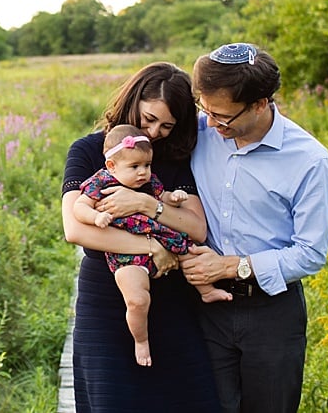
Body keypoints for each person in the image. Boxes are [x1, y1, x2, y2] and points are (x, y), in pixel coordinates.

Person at [179, 43, 328, 413]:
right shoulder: (201, 131)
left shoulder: (309, 159)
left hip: (272, 314)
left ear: (260, 104)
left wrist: (232, 266)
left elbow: (311, 252)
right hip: (205, 306)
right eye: (206, 110)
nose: (212, 124)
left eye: (224, 117)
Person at [62, 62, 221, 413]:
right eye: (148, 119)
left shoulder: (174, 158)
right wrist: (153, 247)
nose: (155, 131)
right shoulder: (89, 151)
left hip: (172, 304)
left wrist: (147, 204)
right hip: (108, 301)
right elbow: (75, 228)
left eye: (167, 125)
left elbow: (196, 228)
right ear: (133, 100)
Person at [73, 124, 231, 366]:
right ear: (112, 166)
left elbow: (163, 196)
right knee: (137, 299)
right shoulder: (100, 182)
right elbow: (79, 207)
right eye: (135, 167)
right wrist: (96, 217)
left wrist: (174, 197)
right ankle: (141, 340)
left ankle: (206, 291)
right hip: (126, 253)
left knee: (193, 254)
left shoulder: (148, 182)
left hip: (163, 237)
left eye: (147, 166)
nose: (143, 173)